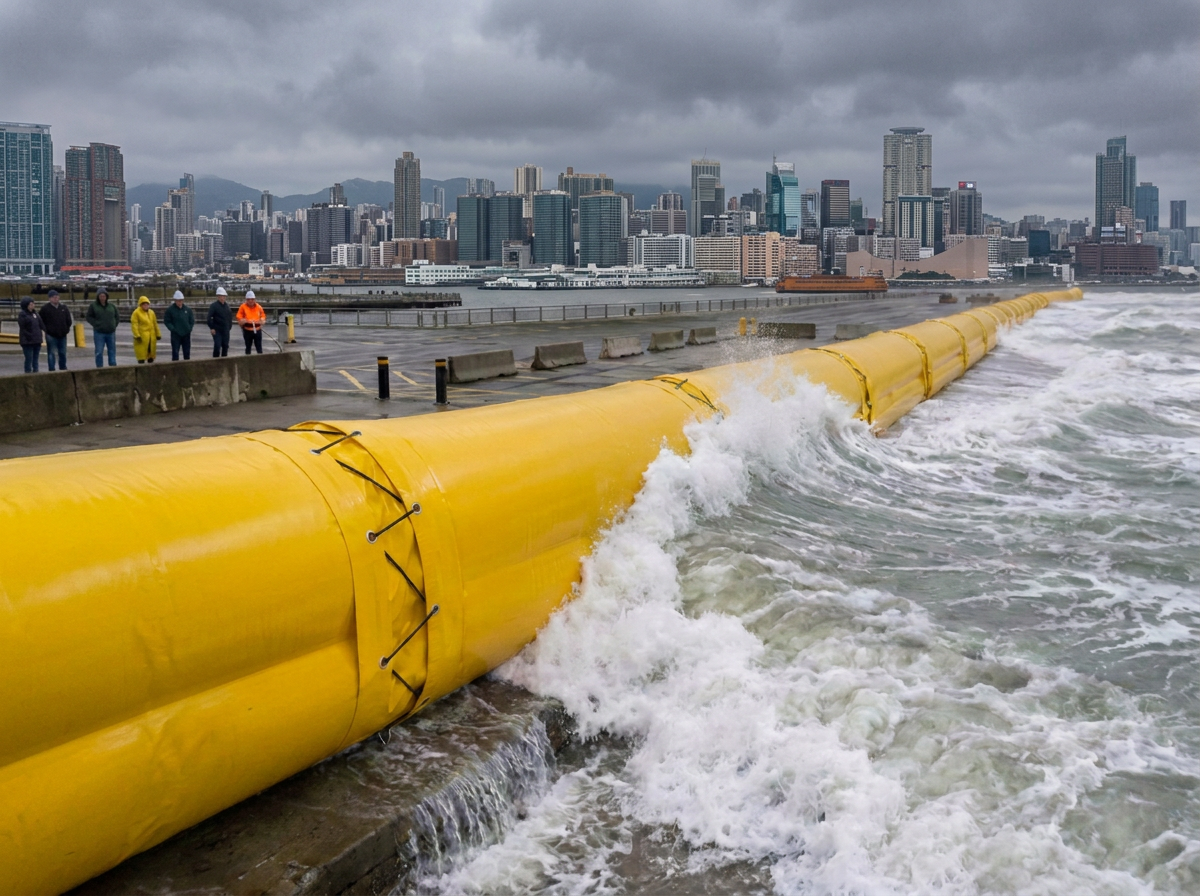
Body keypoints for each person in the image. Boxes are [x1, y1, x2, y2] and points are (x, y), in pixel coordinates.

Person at [38, 289, 73, 371]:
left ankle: (63, 367)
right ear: (50, 298)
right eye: (54, 297)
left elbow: (69, 320)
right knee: (51, 353)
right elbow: (40, 321)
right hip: (51, 335)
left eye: (57, 297)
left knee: (62, 352)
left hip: (62, 335)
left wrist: (66, 329)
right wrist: (46, 329)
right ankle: (51, 368)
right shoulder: (45, 309)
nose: (56, 299)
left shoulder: (63, 308)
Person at [85, 288, 119, 367]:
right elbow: (88, 317)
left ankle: (113, 365)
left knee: (112, 350)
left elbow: (117, 317)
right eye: (101, 296)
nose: (102, 297)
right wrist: (96, 324)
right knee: (99, 351)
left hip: (111, 332)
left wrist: (114, 325)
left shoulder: (112, 306)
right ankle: (99, 367)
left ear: (106, 297)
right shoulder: (93, 306)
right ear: (98, 297)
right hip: (99, 332)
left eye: (104, 296)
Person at [164, 290, 195, 361]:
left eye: (181, 300)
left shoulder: (188, 309)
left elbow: (192, 320)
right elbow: (167, 321)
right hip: (176, 334)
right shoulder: (170, 310)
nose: (180, 302)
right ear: (175, 300)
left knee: (187, 352)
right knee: (175, 352)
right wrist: (172, 329)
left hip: (186, 333)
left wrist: (189, 328)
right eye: (178, 301)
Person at [130, 295, 161, 364]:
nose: (146, 305)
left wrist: (158, 334)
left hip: (151, 337)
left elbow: (155, 324)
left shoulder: (151, 312)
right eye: (144, 304)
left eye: (147, 304)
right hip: (141, 338)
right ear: (140, 304)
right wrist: (137, 335)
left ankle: (150, 370)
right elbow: (134, 325)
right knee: (141, 356)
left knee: (151, 354)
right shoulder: (136, 313)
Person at [17, 298, 44, 373]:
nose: (33, 305)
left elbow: (41, 324)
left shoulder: (36, 314)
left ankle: (36, 371)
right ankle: (28, 372)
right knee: (29, 358)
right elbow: (23, 327)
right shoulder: (22, 315)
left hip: (37, 340)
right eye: (30, 304)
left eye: (33, 304)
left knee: (35, 358)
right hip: (27, 341)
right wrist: (29, 336)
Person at [236, 289, 266, 355]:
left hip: (257, 330)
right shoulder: (243, 307)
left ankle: (260, 360)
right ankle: (247, 360)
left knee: (259, 347)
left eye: (252, 299)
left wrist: (262, 320)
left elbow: (263, 315)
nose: (250, 301)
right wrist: (242, 321)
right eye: (248, 299)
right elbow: (239, 316)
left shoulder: (259, 307)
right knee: (248, 347)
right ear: (246, 300)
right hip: (247, 330)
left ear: (254, 299)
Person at [207, 287, 233, 357]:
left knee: (225, 346)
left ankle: (224, 361)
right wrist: (212, 327)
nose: (223, 298)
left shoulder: (227, 306)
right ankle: (215, 360)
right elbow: (209, 317)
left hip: (225, 330)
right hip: (217, 330)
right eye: (221, 296)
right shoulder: (214, 306)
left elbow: (230, 317)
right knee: (217, 346)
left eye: (224, 296)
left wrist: (229, 327)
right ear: (218, 296)